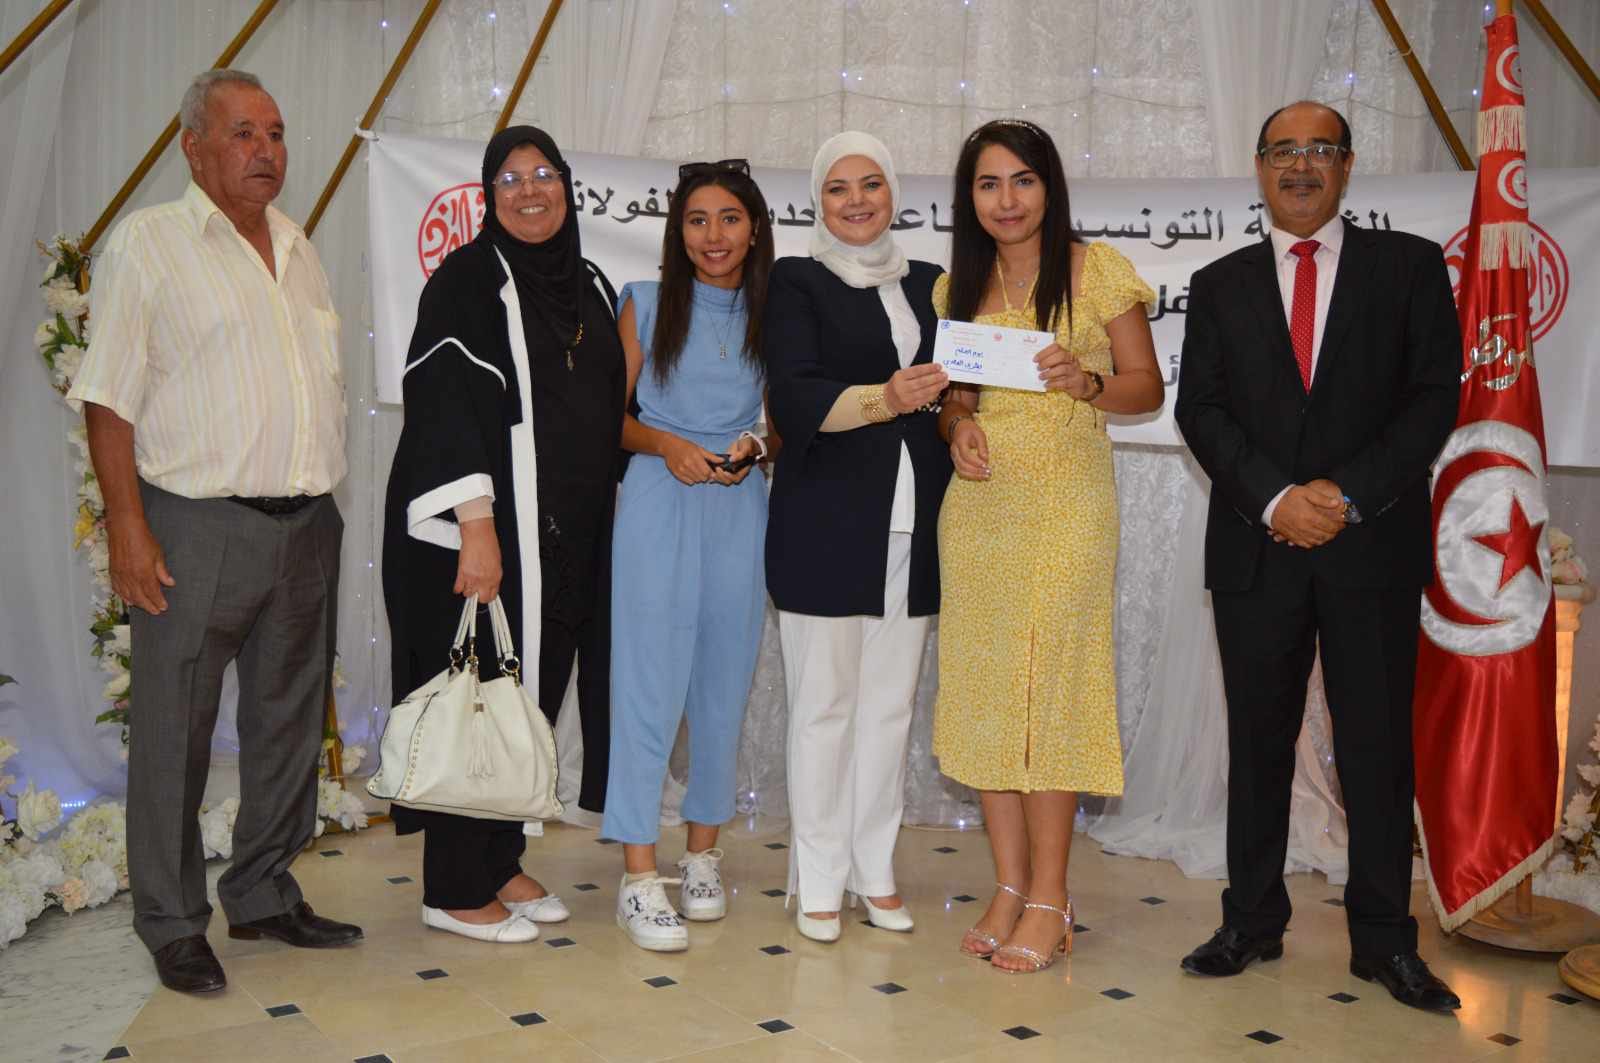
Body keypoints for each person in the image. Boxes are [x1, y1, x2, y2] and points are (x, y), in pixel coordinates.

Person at [66, 70, 361, 994]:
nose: (266, 150)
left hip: (306, 525)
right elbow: (108, 398)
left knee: (287, 724)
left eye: (275, 132)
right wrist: (128, 526)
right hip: (196, 526)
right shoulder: (149, 244)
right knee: (174, 729)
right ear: (192, 147)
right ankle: (170, 920)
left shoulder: (298, 246)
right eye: (242, 133)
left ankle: (264, 890)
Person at [1173, 101, 1461, 1011]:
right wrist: (1276, 500)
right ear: (1259, 167)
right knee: (1257, 742)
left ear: (1347, 165)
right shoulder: (1218, 282)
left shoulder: (1410, 266)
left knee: (1377, 747)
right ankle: (1251, 921)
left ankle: (1384, 940)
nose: (1301, 166)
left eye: (1320, 150)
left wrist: (1341, 495)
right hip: (1257, 547)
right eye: (1284, 151)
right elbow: (1200, 408)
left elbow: (1433, 397)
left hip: (1370, 545)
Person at [382, 126, 625, 943]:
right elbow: (445, 405)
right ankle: (453, 885)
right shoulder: (467, 280)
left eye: (544, 173)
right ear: (489, 195)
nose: (530, 190)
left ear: (567, 186)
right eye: (511, 178)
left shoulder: (584, 283)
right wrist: (476, 528)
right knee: (478, 696)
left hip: (565, 539)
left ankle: (498, 858)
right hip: (490, 531)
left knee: (527, 695)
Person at [933, 119, 1163, 974]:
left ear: (1050, 187)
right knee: (989, 690)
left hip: (1069, 503)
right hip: (981, 506)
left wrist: (1088, 380)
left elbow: (1147, 388)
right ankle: (1008, 885)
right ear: (970, 197)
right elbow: (956, 397)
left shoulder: (1098, 270)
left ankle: (1052, 895)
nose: (1007, 200)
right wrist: (956, 428)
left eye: (1022, 181)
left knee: (1051, 691)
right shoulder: (958, 283)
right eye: (988, 183)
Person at [764, 131, 951, 943]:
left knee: (889, 709)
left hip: (916, 522)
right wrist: (886, 397)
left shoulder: (933, 282)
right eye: (838, 188)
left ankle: (874, 870)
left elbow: (961, 387)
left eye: (871, 183)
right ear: (818, 201)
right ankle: (818, 875)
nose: (856, 200)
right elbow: (795, 395)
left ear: (894, 192)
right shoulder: (796, 279)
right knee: (824, 707)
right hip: (825, 523)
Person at [601, 159, 778, 952]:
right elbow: (607, 418)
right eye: (698, 220)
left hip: (739, 507)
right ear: (678, 230)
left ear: (754, 229)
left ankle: (702, 854)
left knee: (722, 685)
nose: (714, 235)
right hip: (657, 499)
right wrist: (665, 443)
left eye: (729, 219)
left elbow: (782, 425)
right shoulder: (643, 303)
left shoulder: (772, 313)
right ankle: (639, 874)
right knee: (647, 686)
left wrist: (758, 447)